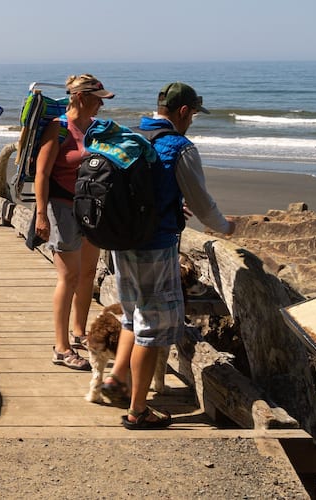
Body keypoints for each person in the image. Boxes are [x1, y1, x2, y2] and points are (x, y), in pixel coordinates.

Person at [104, 82, 236, 429]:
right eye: (192, 114)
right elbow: (204, 205)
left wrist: (174, 204)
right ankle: (137, 411)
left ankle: (116, 378)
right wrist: (226, 227)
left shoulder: (136, 137)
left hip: (122, 244)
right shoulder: (179, 147)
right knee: (152, 327)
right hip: (154, 247)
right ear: (182, 112)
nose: (192, 120)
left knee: (134, 315)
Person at [33, 74, 114, 371]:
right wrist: (41, 214)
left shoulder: (95, 128)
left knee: (88, 272)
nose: (101, 105)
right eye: (97, 99)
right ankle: (61, 347)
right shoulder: (59, 129)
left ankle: (79, 332)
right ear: (81, 98)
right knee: (68, 277)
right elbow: (42, 174)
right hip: (61, 207)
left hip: (90, 208)